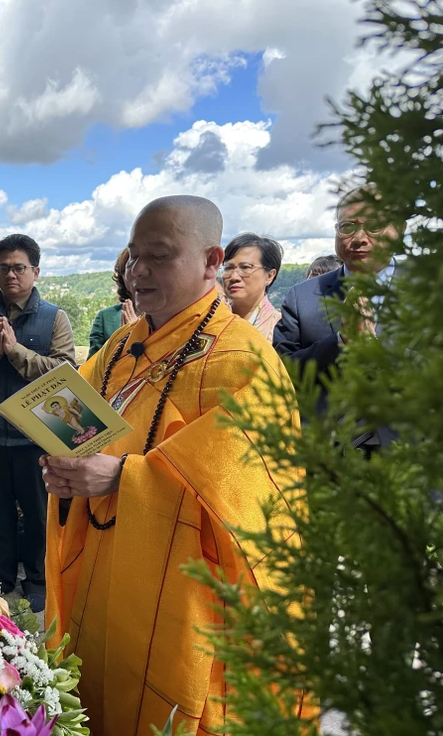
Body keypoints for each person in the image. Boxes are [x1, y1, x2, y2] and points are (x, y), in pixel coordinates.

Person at [44, 195, 303, 735]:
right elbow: (72, 420)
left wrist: (122, 477)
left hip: (182, 585)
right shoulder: (122, 345)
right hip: (101, 557)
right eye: (135, 256)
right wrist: (67, 466)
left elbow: (248, 498)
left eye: (158, 256)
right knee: (93, 688)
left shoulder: (243, 360)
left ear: (211, 260)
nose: (139, 272)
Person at [0, 234, 74, 612]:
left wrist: (17, 352)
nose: (11, 274)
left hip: (36, 437)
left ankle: (37, 580)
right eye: (3, 267)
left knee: (39, 514)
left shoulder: (54, 317)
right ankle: (1, 578)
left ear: (35, 271)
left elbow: (65, 369)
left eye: (19, 267)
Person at [273, 187, 400, 449]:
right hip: (324, 458)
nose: (359, 238)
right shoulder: (303, 296)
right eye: (347, 226)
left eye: (374, 226)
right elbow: (280, 373)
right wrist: (340, 342)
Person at [220, 232, 284, 342]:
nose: (234, 277)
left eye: (245, 267)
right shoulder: (212, 320)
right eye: (228, 268)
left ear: (269, 276)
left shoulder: (280, 329)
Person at [87, 249, 139, 359]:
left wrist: (135, 334)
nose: (138, 273)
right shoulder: (106, 317)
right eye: (130, 267)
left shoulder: (167, 317)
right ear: (122, 277)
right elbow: (92, 367)